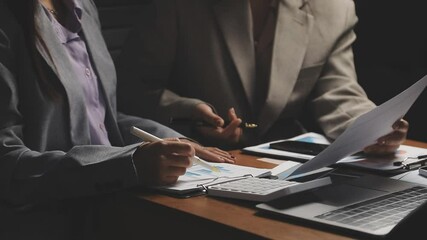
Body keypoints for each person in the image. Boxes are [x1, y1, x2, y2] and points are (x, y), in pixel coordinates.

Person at [0, 0, 234, 238]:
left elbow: (103, 118)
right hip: (48, 224)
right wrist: (129, 164)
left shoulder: (83, 7)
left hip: (114, 206)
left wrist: (176, 141)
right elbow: (8, 164)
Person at [116, 0, 408, 153]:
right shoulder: (180, 5)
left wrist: (373, 128)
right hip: (195, 160)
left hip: (283, 164)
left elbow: (337, 90)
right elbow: (132, 89)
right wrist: (189, 114)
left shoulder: (334, 8)